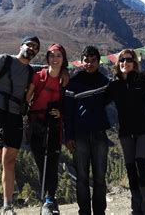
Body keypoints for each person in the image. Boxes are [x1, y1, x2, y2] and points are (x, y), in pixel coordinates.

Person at [0, 36, 40, 215]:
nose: (31, 48)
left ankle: (7, 206)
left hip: (15, 118)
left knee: (10, 162)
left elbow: (29, 97)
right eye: (29, 44)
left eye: (35, 47)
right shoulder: (3, 60)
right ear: (21, 46)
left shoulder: (31, 72)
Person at [106, 49, 145, 215]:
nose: (124, 62)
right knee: (131, 171)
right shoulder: (114, 85)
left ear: (134, 63)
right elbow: (98, 101)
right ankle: (137, 209)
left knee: (142, 166)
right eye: (121, 60)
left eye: (128, 59)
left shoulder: (144, 80)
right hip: (126, 133)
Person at [63, 45, 110, 215]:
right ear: (81, 62)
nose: (89, 63)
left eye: (93, 60)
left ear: (98, 61)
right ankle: (84, 211)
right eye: (86, 60)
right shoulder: (73, 83)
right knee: (82, 178)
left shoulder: (105, 82)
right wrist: (68, 136)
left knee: (99, 177)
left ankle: (99, 212)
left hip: (100, 135)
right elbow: (67, 113)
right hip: (79, 136)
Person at [25, 43, 69, 215]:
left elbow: (69, 103)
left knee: (52, 162)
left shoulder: (65, 79)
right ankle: (47, 199)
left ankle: (50, 198)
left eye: (59, 55)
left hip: (54, 125)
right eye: (52, 55)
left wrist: (62, 113)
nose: (55, 58)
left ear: (63, 59)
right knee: (41, 163)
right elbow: (28, 97)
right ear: (47, 58)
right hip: (37, 125)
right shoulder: (38, 76)